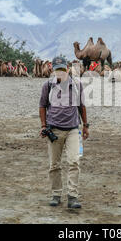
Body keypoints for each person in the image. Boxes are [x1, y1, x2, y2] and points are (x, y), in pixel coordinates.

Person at [39, 56, 89, 209]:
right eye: (57, 69)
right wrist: (43, 125)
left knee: (74, 162)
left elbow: (82, 106)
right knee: (54, 165)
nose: (60, 72)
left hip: (73, 130)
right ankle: (56, 194)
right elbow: (42, 106)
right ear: (53, 70)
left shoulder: (76, 85)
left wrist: (85, 126)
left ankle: (72, 196)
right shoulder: (48, 86)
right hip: (54, 129)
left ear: (67, 68)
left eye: (62, 69)